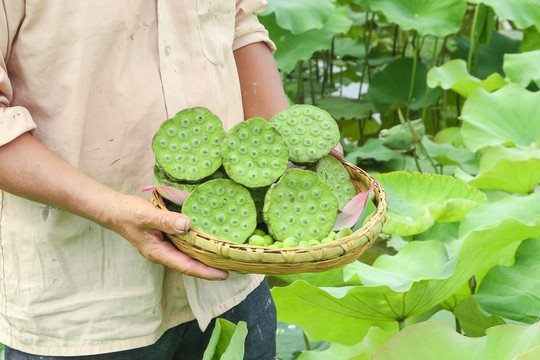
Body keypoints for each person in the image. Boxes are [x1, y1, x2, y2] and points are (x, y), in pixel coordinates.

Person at [0, 1, 344, 359]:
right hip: (86, 308)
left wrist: (287, 143)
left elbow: (238, 24)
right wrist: (111, 208)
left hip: (234, 276)